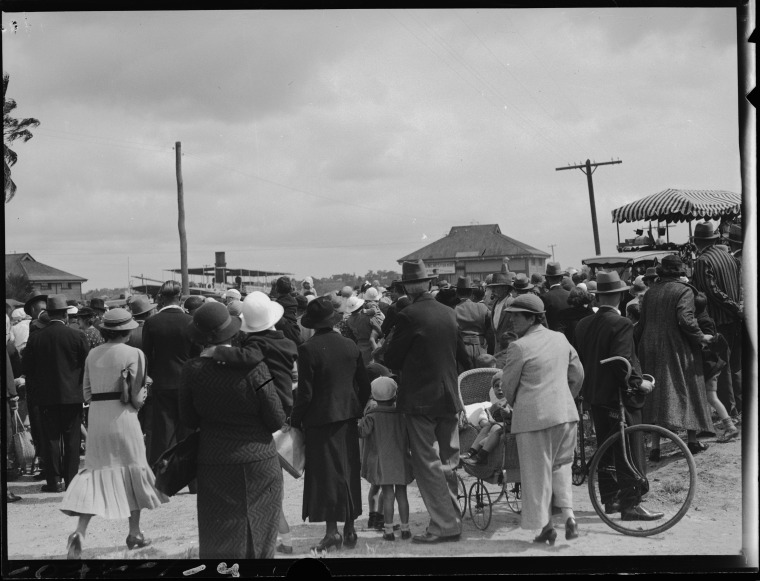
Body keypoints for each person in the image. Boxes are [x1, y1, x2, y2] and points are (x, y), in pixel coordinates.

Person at [59, 308, 168, 559]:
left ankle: (80, 532)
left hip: (97, 418)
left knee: (95, 474)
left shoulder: (92, 354)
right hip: (124, 418)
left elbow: (86, 392)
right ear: (128, 331)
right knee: (133, 472)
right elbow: (138, 399)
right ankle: (134, 532)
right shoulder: (135, 353)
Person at [179, 301, 285, 559]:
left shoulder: (191, 372)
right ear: (233, 332)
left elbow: (188, 419)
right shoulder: (256, 369)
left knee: (219, 535)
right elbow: (276, 418)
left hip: (215, 460)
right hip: (259, 459)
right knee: (260, 536)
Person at [384, 259, 471, 544]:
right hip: (449, 396)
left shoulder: (408, 315)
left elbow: (392, 358)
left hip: (421, 399)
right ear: (430, 284)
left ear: (407, 287)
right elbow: (462, 355)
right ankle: (452, 520)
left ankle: (444, 524)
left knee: (428, 463)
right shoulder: (449, 313)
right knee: (448, 461)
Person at [574, 272, 663, 521]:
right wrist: (639, 383)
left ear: (598, 295)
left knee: (607, 447)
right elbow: (620, 362)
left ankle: (610, 499)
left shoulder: (583, 324)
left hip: (594, 395)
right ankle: (630, 503)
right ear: (622, 295)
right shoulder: (621, 324)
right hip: (619, 397)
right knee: (629, 449)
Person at [498, 294, 584, 544]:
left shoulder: (519, 347)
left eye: (516, 315)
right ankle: (569, 517)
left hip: (534, 418)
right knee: (561, 466)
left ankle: (545, 525)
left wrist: (518, 406)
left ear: (532, 317)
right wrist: (566, 396)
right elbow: (577, 373)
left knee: (536, 474)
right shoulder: (560, 338)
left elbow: (508, 385)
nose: (512, 320)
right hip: (565, 415)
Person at [291, 296, 371, 554]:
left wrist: (294, 420)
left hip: (320, 421)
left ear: (313, 324)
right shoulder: (350, 345)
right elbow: (365, 384)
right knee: (348, 471)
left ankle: (331, 532)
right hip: (347, 418)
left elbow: (304, 394)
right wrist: (354, 406)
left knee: (325, 476)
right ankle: (349, 528)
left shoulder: (308, 349)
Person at [634, 255, 714, 456]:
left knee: (654, 392)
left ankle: (655, 447)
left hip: (649, 345)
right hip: (675, 345)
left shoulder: (651, 292)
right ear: (679, 272)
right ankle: (693, 440)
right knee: (688, 387)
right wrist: (701, 336)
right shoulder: (684, 290)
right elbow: (685, 319)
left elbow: (641, 323)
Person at [22, 295, 90, 493]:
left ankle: (53, 481)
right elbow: (86, 365)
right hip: (72, 396)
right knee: (72, 439)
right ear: (65, 315)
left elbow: (27, 367)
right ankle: (71, 481)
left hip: (46, 397)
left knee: (51, 439)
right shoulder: (77, 336)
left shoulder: (35, 338)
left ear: (48, 314)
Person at [141, 280, 201, 467]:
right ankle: (192, 481)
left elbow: (146, 354)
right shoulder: (191, 321)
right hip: (187, 380)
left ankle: (163, 474)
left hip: (162, 381)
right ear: (181, 297)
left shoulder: (151, 322)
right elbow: (198, 352)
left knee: (163, 431)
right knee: (188, 429)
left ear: (161, 298)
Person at [691, 222, 743, 424]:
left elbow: (712, 292)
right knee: (736, 366)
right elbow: (737, 288)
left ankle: (731, 413)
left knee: (721, 369)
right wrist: (737, 309)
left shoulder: (703, 261)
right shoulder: (730, 257)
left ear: (697, 242)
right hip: (734, 319)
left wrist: (732, 307)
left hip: (717, 321)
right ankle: (739, 406)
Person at [358, 377, 413, 541]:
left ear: (373, 396)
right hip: (401, 460)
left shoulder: (372, 415)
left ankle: (388, 531)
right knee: (402, 494)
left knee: (388, 494)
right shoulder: (402, 414)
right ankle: (405, 529)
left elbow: (362, 432)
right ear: (395, 395)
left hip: (382, 462)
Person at [693, 292, 739, 442]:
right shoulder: (705, 318)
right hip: (712, 365)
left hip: (710, 366)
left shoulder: (703, 321)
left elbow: (707, 341)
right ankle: (708, 427)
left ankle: (730, 426)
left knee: (711, 397)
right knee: (708, 397)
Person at [454, 276, 490, 369]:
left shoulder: (453, 310)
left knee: (464, 380)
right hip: (480, 347)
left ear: (457, 293)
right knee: (482, 379)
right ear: (471, 293)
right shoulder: (482, 308)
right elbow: (490, 330)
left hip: (461, 349)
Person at [485, 271, 516, 355]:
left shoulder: (511, 303)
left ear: (505, 288)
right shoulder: (496, 303)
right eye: (492, 287)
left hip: (509, 349)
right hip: (498, 349)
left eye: (496, 287)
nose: (493, 290)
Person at [540, 262, 572, 331]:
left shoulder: (544, 297)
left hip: (552, 337)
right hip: (570, 337)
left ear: (547, 278)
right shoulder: (570, 295)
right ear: (561, 278)